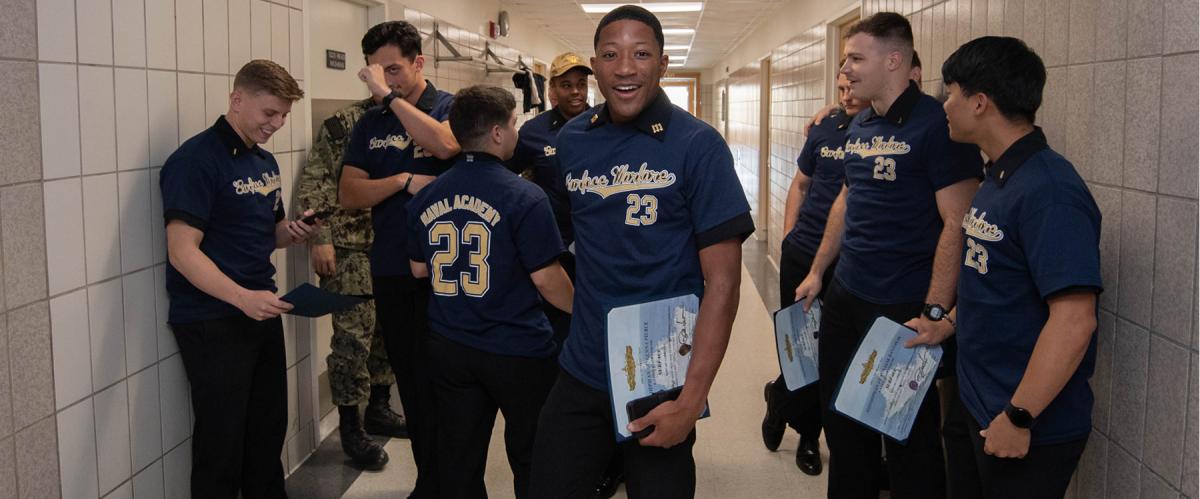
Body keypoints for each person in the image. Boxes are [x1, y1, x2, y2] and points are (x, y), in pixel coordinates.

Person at [529, 6, 754, 498]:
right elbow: (574, 243)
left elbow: (723, 282)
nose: (625, 68)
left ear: (663, 64)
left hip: (660, 375)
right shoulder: (573, 141)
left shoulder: (698, 145)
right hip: (583, 365)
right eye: (611, 55)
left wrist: (691, 400)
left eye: (641, 54)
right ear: (595, 65)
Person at [792, 12, 983, 499]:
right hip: (847, 294)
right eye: (846, 60)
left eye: (856, 58)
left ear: (894, 60)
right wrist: (818, 271)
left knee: (906, 437)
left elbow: (957, 222)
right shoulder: (860, 124)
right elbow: (846, 198)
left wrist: (935, 310)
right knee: (843, 422)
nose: (847, 69)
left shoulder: (938, 126)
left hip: (902, 305)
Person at [939, 36, 1101, 498]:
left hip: (1023, 422)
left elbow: (1074, 321)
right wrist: (947, 324)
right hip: (977, 399)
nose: (944, 105)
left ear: (980, 102)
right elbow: (996, 279)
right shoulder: (998, 176)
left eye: (950, 93)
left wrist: (1019, 416)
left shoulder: (1050, 192)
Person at [406, 84, 575, 499]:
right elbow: (546, 279)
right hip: (517, 347)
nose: (517, 133)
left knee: (459, 455)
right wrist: (586, 312)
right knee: (532, 452)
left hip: (450, 345)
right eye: (514, 124)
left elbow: (417, 269)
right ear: (498, 133)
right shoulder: (525, 196)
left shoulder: (426, 194)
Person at [160, 59, 317, 498]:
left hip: (259, 309)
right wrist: (240, 298)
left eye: (284, 115)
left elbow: (268, 235)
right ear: (237, 99)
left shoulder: (264, 162)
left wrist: (294, 231)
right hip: (212, 318)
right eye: (270, 113)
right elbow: (181, 251)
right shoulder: (196, 161)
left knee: (267, 431)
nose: (277, 124)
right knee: (222, 442)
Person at [338, 20, 460, 498]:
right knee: (411, 382)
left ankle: (455, 482)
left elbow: (446, 144)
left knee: (450, 386)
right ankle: (431, 483)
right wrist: (400, 181)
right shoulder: (371, 123)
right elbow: (350, 192)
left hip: (448, 273)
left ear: (418, 63)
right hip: (392, 268)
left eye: (395, 70)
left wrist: (390, 99)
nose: (386, 81)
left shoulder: (449, 107)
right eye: (378, 73)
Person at [508, 52, 628, 498]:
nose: (576, 93)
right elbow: (506, 177)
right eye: (566, 85)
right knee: (563, 350)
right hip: (555, 256)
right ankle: (573, 443)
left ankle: (614, 459)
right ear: (551, 89)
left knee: (609, 350)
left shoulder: (607, 121)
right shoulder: (534, 134)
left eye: (582, 84)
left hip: (602, 254)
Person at [761, 69, 867, 477]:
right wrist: (788, 238)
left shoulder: (882, 133)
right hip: (804, 252)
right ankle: (805, 429)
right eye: (840, 88)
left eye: (852, 86)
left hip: (849, 260)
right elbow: (801, 184)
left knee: (833, 354)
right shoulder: (826, 127)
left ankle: (783, 403)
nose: (846, 95)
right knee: (801, 347)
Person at [297, 93, 407, 471]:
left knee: (386, 333)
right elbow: (316, 180)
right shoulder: (347, 122)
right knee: (352, 339)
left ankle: (378, 407)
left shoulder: (412, 120)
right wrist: (320, 236)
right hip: (348, 247)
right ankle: (351, 429)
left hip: (392, 244)